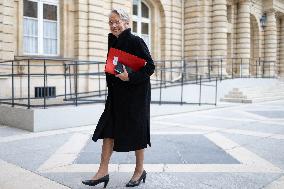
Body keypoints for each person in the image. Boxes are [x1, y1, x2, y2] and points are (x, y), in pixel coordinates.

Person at [82, 8, 155, 188]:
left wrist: (129, 77)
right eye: (111, 22)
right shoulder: (113, 41)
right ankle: (102, 171)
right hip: (116, 95)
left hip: (136, 95)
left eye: (117, 22)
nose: (114, 25)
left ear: (126, 22)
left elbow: (150, 67)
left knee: (137, 131)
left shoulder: (136, 41)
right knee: (108, 129)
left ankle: (139, 171)